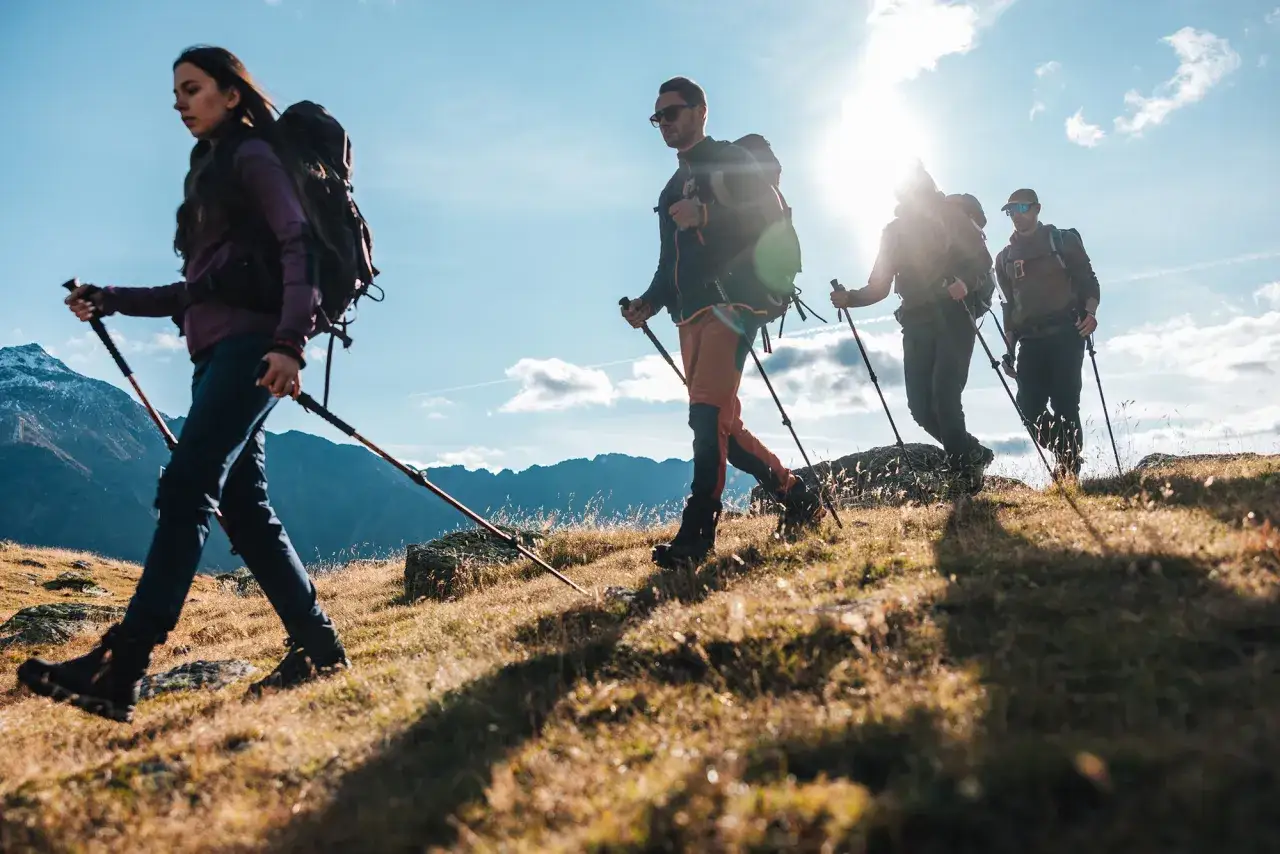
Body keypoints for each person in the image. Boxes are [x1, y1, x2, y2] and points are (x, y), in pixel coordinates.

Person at [17, 46, 350, 723]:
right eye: (176, 93)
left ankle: (123, 666)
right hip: (221, 354)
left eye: (192, 89)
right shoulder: (212, 170)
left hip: (254, 349)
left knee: (187, 485)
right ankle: (322, 652)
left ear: (232, 94)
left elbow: (300, 246)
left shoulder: (252, 157)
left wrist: (290, 343)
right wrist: (108, 298)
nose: (180, 103)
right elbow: (196, 291)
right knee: (245, 512)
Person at [621, 76, 823, 569]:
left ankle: (696, 536)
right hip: (688, 313)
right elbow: (669, 262)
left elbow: (762, 221)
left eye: (672, 112)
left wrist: (707, 214)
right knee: (723, 425)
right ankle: (797, 497)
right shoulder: (671, 186)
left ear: (700, 111)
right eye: (658, 117)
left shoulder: (729, 159)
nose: (664, 123)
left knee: (706, 416)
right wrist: (647, 303)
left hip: (732, 304)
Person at [829, 163, 995, 492]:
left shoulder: (952, 217)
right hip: (916, 319)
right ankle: (971, 452)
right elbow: (879, 286)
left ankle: (964, 475)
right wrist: (850, 298)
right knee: (920, 407)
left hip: (954, 314)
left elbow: (982, 262)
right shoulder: (893, 233)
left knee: (945, 395)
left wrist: (966, 281)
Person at [994, 188, 1101, 479]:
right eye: (1011, 210)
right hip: (1030, 339)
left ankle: (1068, 470)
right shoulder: (1003, 258)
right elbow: (1010, 308)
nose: (1016, 214)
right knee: (1028, 407)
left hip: (1067, 332)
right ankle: (1068, 452)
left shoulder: (1062, 240)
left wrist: (1090, 314)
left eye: (1022, 207)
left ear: (1037, 208)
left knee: (1066, 402)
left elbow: (1088, 280)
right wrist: (1009, 350)